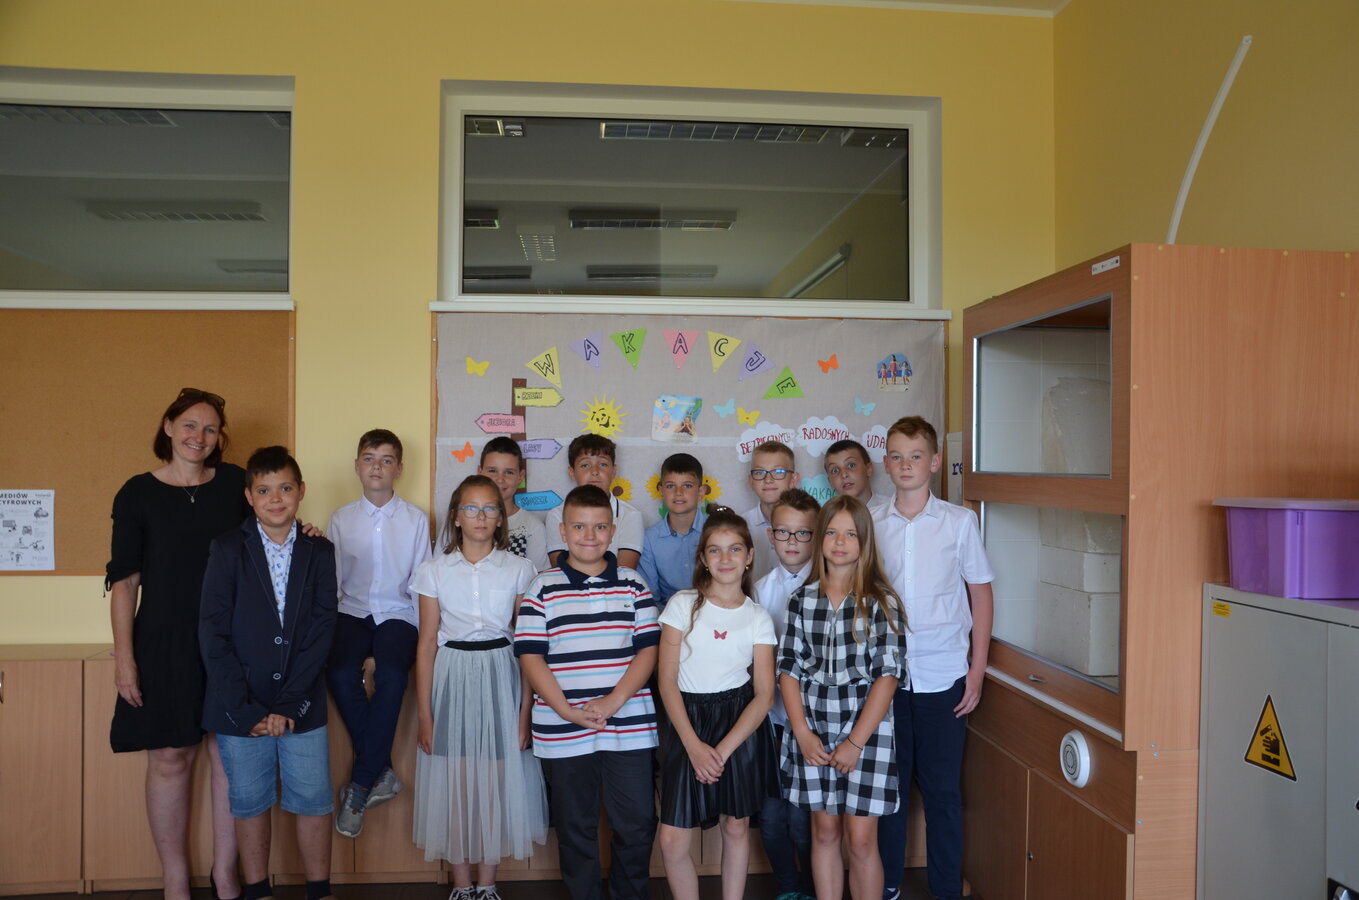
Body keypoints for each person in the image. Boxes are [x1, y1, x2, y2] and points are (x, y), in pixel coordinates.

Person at [107, 387, 246, 900]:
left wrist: (304, 532)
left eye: (210, 429)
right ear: (168, 427)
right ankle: (174, 878)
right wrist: (125, 659)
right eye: (189, 425)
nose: (199, 437)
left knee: (231, 754)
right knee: (170, 757)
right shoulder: (137, 492)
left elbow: (271, 533)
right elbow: (125, 582)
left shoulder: (234, 483)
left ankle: (226, 872)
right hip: (163, 641)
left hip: (231, 637)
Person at [199, 446, 339, 900]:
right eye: (263, 490)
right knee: (249, 802)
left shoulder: (320, 550)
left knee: (313, 800)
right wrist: (246, 710)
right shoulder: (226, 548)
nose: (275, 499)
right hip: (240, 707)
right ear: (249, 496)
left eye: (284, 488)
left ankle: (319, 891)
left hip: (303, 702)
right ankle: (258, 891)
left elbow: (322, 628)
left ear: (301, 491)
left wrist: (290, 703)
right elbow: (213, 632)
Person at [514, 485, 659, 900]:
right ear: (562, 531)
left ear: (612, 532)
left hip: (628, 727)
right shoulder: (542, 588)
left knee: (636, 823)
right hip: (562, 729)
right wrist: (567, 711)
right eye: (579, 527)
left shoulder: (634, 585)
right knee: (574, 827)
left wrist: (612, 702)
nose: (589, 536)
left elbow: (648, 652)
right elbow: (530, 657)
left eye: (599, 527)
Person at [872, 416, 994, 900]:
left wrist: (976, 671)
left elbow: (980, 596)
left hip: (944, 677)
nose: (906, 465)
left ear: (935, 462)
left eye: (916, 456)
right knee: (890, 792)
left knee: (943, 792)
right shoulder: (870, 522)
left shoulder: (959, 523)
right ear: (886, 463)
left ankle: (946, 888)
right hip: (884, 679)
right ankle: (887, 884)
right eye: (897, 456)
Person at [411, 475, 548, 900]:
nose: (481, 516)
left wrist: (525, 711)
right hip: (452, 674)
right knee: (456, 782)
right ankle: (461, 884)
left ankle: (487, 883)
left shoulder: (520, 569)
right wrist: (425, 714)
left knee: (494, 781)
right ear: (456, 516)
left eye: (490, 508)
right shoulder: (433, 571)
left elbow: (526, 643)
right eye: (471, 508)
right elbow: (427, 643)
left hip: (501, 673)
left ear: (501, 517)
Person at [779, 495, 906, 900]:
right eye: (832, 532)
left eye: (850, 534)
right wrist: (801, 732)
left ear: (865, 542)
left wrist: (854, 742)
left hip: (866, 733)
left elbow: (888, 677)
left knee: (861, 839)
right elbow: (788, 670)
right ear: (820, 539)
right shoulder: (801, 600)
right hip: (814, 729)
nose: (839, 542)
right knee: (824, 830)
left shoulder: (881, 602)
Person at [656, 508, 779, 900]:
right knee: (673, 838)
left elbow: (764, 694)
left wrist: (722, 751)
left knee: (736, 825)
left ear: (749, 556)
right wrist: (694, 746)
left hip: (738, 723)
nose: (725, 558)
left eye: (734, 549)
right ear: (703, 558)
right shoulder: (682, 605)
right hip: (686, 722)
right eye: (715, 550)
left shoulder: (758, 617)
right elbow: (666, 681)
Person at [326, 429, 432, 837]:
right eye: (369, 458)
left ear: (399, 469)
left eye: (387, 460)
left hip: (398, 613)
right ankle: (380, 772)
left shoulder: (415, 520)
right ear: (357, 466)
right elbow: (333, 581)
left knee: (391, 675)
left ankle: (361, 784)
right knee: (339, 673)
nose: (377, 467)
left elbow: (421, 583)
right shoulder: (341, 519)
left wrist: (426, 640)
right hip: (351, 611)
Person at [752, 488, 821, 900]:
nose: (792, 542)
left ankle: (814, 888)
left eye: (803, 533)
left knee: (803, 823)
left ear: (817, 535)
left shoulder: (828, 585)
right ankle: (789, 888)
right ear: (770, 535)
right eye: (783, 532)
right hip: (773, 721)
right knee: (773, 819)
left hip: (815, 725)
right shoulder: (760, 589)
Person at [544, 434, 644, 570]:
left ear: (613, 471)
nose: (595, 472)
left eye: (603, 464)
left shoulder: (630, 515)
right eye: (585, 465)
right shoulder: (556, 515)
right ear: (572, 472)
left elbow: (624, 571)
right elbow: (560, 570)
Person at [638, 452, 707, 609]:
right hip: (667, 617)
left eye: (687, 485)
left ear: (701, 492)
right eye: (670, 486)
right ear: (661, 491)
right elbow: (650, 599)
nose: (678, 492)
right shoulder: (649, 539)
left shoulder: (717, 532)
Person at [478, 436, 549, 572]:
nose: (500, 479)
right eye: (492, 471)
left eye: (509, 472)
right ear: (480, 472)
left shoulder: (533, 527)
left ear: (520, 477)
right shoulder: (462, 520)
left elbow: (537, 578)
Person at [741, 440, 801, 581]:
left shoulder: (811, 524)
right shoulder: (741, 526)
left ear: (793, 479)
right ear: (751, 481)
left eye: (778, 472)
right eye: (760, 472)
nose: (768, 479)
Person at [824, 440, 886, 512]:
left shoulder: (891, 509)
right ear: (830, 482)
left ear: (868, 469)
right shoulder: (829, 517)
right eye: (835, 470)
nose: (844, 475)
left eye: (851, 465)